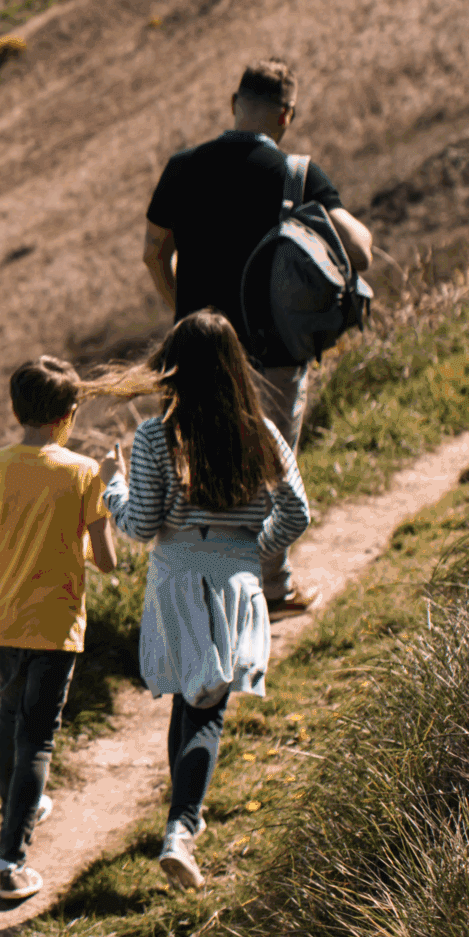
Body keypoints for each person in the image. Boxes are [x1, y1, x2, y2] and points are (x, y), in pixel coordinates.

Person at [142, 57, 369, 612]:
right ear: (286, 115)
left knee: (194, 467)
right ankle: (270, 587)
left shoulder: (183, 166)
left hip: (195, 353)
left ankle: (195, 591)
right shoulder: (297, 175)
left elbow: (154, 253)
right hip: (273, 353)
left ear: (233, 104)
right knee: (270, 465)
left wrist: (186, 312)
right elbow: (359, 251)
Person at [102, 310, 310, 891]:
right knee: (205, 707)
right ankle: (182, 827)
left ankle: (179, 820)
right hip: (234, 580)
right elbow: (297, 511)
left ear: (174, 368)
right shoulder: (259, 433)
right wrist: (252, 551)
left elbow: (141, 523)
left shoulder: (155, 436)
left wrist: (112, 488)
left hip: (176, 579)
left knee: (189, 700)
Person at [0, 356, 116, 902]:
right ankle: (12, 859)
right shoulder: (82, 473)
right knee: (38, 738)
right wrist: (106, 490)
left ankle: (12, 816)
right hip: (55, 623)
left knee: (11, 727)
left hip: (1, 617)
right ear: (70, 413)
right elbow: (104, 560)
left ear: (16, 409)